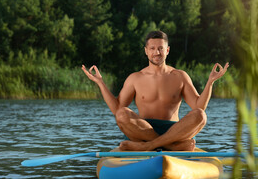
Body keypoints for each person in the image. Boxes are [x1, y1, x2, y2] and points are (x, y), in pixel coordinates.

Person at [82, 31, 229, 151]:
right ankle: (170, 146)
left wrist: (210, 82)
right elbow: (117, 109)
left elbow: (199, 106)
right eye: (152, 48)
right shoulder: (135, 78)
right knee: (122, 114)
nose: (156, 52)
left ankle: (149, 146)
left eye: (160, 48)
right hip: (142, 130)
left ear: (167, 50)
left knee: (201, 115)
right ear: (146, 51)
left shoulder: (180, 76)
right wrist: (100, 83)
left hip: (174, 130)